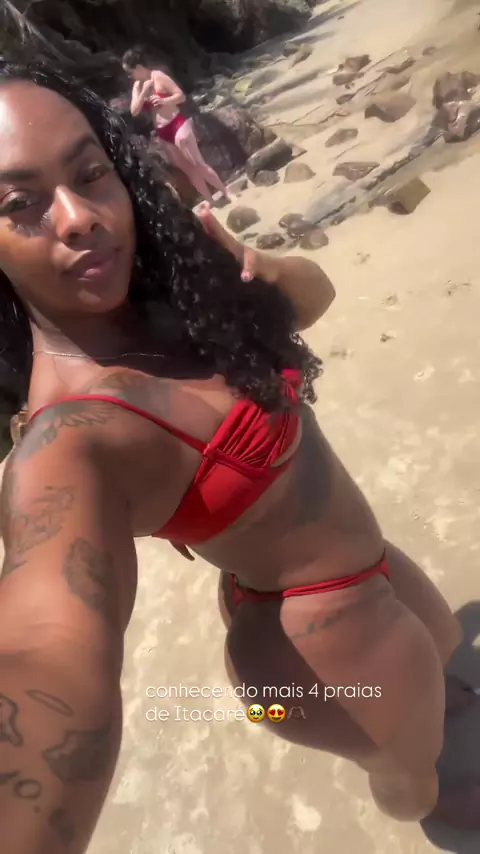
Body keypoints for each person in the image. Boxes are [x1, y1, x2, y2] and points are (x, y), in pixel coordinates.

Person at [0, 58, 477, 854]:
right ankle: (421, 791)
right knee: (415, 780)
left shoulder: (168, 297)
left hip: (367, 573)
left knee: (449, 658)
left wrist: (268, 274)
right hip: (315, 655)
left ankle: (427, 716)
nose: (78, 217)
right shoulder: (69, 443)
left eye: (89, 174)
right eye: (20, 205)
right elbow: (44, 649)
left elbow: (314, 301)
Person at [122, 46, 231, 205]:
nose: (129, 76)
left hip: (177, 124)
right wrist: (144, 92)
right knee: (189, 170)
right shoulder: (138, 87)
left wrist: (164, 100)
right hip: (162, 132)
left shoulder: (159, 76)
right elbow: (134, 111)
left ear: (138, 67)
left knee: (198, 164)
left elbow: (180, 96)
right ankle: (211, 201)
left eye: (129, 72)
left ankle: (226, 192)